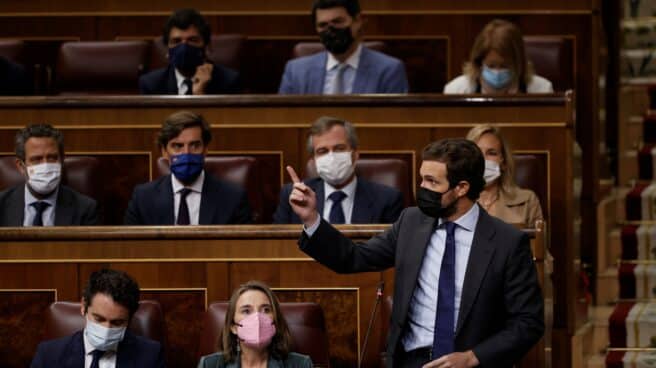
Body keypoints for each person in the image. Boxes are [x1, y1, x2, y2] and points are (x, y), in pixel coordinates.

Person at [285, 138, 544, 367]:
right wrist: (312, 219)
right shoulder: (411, 222)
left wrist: (472, 357)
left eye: (432, 181)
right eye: (422, 178)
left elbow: (528, 323)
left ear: (462, 188)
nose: (422, 187)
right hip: (413, 358)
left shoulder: (507, 242)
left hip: (470, 361)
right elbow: (353, 258)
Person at [124, 111, 251, 225]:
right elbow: (131, 249)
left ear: (205, 150)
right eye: (177, 146)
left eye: (195, 145)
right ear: (164, 152)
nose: (187, 153)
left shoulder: (233, 198)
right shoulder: (143, 198)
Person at [273, 116, 403, 224]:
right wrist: (310, 219)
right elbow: (276, 247)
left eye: (339, 148)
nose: (331, 157)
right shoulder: (294, 196)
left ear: (355, 154)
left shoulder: (387, 199)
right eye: (322, 151)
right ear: (313, 160)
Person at [30, 269, 165, 368]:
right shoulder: (49, 355)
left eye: (117, 322)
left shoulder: (150, 356)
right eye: (99, 319)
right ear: (84, 307)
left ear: (129, 318)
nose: (106, 329)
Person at [278, 0, 408, 95]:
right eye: (323, 25)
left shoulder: (389, 70)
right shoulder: (296, 71)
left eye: (338, 22)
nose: (331, 30)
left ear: (358, 21)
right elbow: (284, 121)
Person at [197, 280, 312, 368]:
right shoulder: (210, 364)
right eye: (246, 311)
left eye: (266, 310)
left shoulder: (301, 364)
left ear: (275, 323)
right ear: (233, 327)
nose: (257, 318)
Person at [0, 124, 98, 226]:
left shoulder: (85, 209)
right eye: (36, 159)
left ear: (62, 161)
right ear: (21, 166)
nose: (45, 165)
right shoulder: (1, 205)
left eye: (52, 157)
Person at [139, 8, 241, 95]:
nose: (184, 47)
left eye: (192, 40)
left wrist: (200, 94)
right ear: (167, 49)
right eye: (176, 41)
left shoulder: (229, 81)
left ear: (206, 46)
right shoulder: (151, 84)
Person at [443, 19, 553, 94]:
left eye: (505, 66)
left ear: (518, 64)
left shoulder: (542, 90)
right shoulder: (456, 91)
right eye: (491, 65)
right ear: (479, 63)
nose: (497, 72)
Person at [466, 124, 543, 228]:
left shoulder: (527, 201)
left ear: (504, 163)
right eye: (476, 152)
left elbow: (537, 242)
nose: (483, 160)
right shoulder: (453, 202)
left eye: (491, 153)